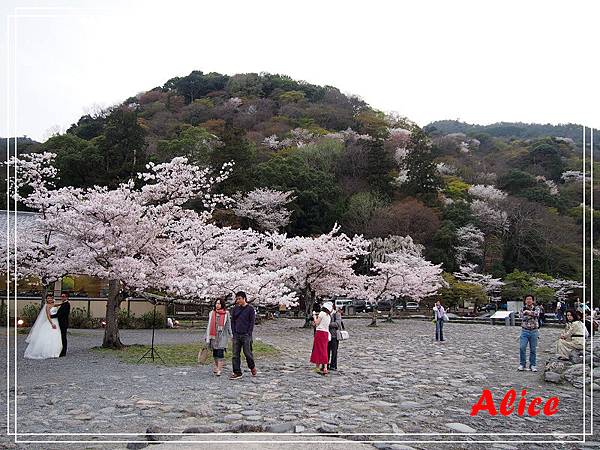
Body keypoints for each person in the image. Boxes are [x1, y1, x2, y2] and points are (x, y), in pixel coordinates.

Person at [24, 294, 62, 359]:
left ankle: (55, 351)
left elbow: (58, 304)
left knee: (56, 336)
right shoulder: (47, 306)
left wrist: (64, 302)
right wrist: (52, 323)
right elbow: (48, 316)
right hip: (51, 322)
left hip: (56, 321)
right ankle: (48, 351)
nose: (49, 299)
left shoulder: (53, 304)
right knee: (48, 336)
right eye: (48, 298)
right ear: (46, 299)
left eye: (50, 298)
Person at [229, 291, 256, 380]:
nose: (238, 300)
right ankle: (237, 372)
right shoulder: (235, 309)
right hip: (237, 334)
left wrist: (249, 333)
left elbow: (252, 322)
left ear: (244, 298)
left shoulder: (250, 309)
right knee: (235, 354)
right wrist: (233, 332)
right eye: (237, 299)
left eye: (239, 298)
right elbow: (233, 321)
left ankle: (252, 366)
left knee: (247, 353)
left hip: (246, 335)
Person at [205, 298, 232, 376]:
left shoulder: (226, 313)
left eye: (219, 304)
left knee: (220, 353)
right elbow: (209, 325)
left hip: (222, 336)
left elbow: (228, 325)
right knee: (215, 353)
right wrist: (206, 336)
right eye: (216, 303)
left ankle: (219, 369)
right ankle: (216, 366)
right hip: (213, 336)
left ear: (222, 305)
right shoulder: (212, 313)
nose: (217, 305)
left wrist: (231, 335)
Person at [519, 294, 540, 372]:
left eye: (530, 299)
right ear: (525, 300)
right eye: (527, 299)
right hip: (524, 331)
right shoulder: (522, 308)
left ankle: (533, 365)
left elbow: (537, 314)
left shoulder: (537, 308)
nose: (529, 300)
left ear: (533, 300)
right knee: (522, 347)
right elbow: (521, 317)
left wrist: (527, 312)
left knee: (533, 349)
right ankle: (522, 364)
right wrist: (531, 314)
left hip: (534, 331)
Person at [310, 301, 332, 375]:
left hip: (320, 332)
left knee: (318, 349)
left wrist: (314, 316)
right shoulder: (328, 316)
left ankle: (317, 367)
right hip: (326, 333)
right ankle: (325, 367)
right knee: (324, 349)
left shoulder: (322, 313)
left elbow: (317, 322)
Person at [50, 291, 71, 357]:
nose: (62, 298)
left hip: (63, 323)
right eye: (61, 296)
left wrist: (50, 316)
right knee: (61, 336)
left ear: (67, 297)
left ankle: (63, 351)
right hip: (61, 322)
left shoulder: (66, 304)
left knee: (63, 337)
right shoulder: (63, 304)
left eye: (63, 296)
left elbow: (60, 314)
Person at [328, 305, 345, 371]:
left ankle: (333, 365)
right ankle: (326, 364)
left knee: (334, 351)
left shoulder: (337, 314)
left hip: (334, 335)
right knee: (327, 350)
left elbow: (338, 324)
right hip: (327, 335)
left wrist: (328, 323)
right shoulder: (326, 314)